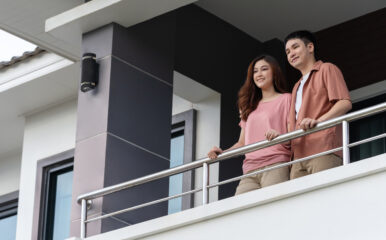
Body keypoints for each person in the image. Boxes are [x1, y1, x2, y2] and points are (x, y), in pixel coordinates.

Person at [207, 55, 292, 195]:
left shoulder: (286, 99)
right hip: (250, 169)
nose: (259, 74)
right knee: (241, 209)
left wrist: (279, 135)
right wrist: (222, 153)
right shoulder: (249, 106)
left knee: (272, 209)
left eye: (264, 69)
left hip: (276, 163)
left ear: (274, 72)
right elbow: (242, 143)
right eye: (255, 71)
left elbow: (292, 135)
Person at [284, 30, 352, 179]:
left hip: (323, 148)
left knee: (324, 199)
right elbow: (292, 124)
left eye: (295, 47)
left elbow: (344, 103)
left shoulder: (327, 69)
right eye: (287, 51)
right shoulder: (296, 86)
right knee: (300, 202)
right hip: (298, 157)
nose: (291, 54)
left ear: (310, 47)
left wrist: (318, 121)